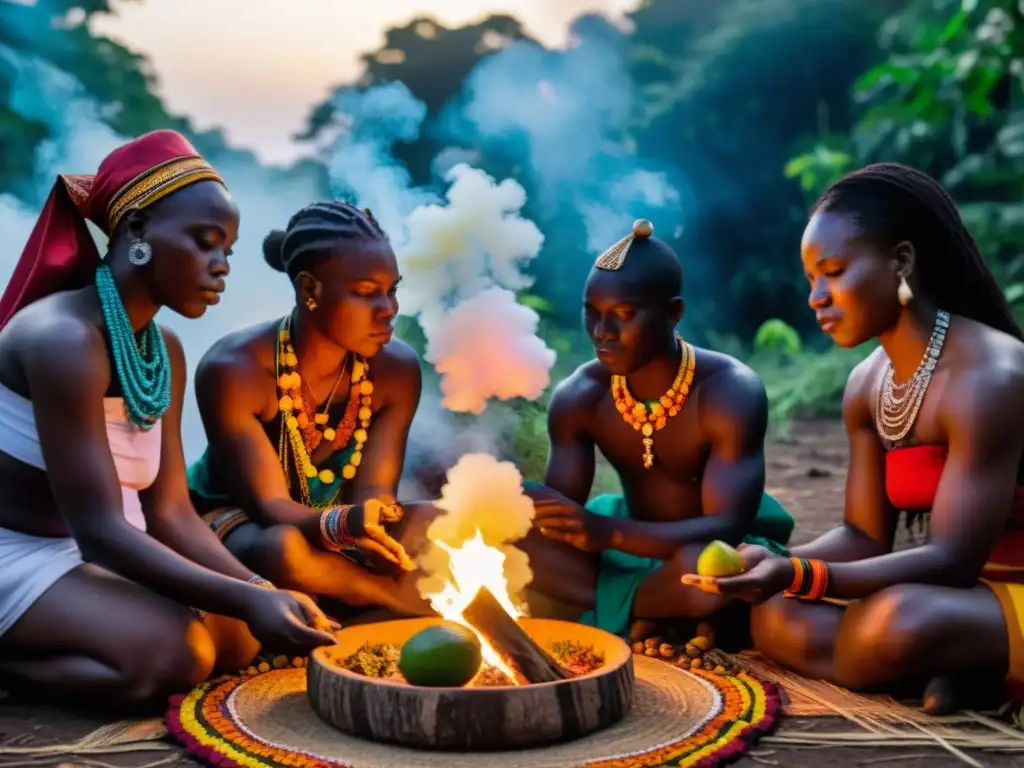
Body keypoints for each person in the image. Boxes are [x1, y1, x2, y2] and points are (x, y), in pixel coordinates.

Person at [0, 130, 338, 708]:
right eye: (206, 242)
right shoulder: (62, 339)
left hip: (101, 544)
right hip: (24, 551)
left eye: (227, 252)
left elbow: (171, 511)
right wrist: (249, 598)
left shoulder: (164, 350)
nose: (220, 267)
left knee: (234, 642)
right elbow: (102, 532)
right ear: (136, 231)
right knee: (180, 655)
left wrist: (261, 591)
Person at [684, 163, 1024, 711]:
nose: (817, 296)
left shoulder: (989, 376)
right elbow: (864, 534)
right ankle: (956, 664)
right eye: (811, 279)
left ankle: (953, 661)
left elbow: (953, 558)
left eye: (835, 271)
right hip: (964, 597)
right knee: (776, 611)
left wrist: (800, 572)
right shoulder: (868, 383)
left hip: (990, 590)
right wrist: (773, 566)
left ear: (902, 262)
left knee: (898, 620)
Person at [521, 219, 795, 638]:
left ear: (673, 312)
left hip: (700, 547)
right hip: (619, 549)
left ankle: (625, 609)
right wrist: (519, 499)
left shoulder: (729, 390)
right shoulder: (580, 396)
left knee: (708, 575)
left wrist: (609, 532)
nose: (602, 333)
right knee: (507, 546)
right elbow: (561, 526)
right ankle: (657, 611)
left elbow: (725, 527)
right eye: (591, 313)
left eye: (623, 315)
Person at [187, 201, 432, 619]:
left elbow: (374, 489)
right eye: (366, 292)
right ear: (309, 289)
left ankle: (354, 590)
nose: (389, 308)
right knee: (283, 549)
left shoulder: (398, 369)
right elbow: (272, 508)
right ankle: (393, 600)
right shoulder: (235, 369)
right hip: (242, 520)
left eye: (392, 290)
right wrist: (348, 526)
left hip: (340, 524)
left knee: (433, 522)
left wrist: (376, 518)